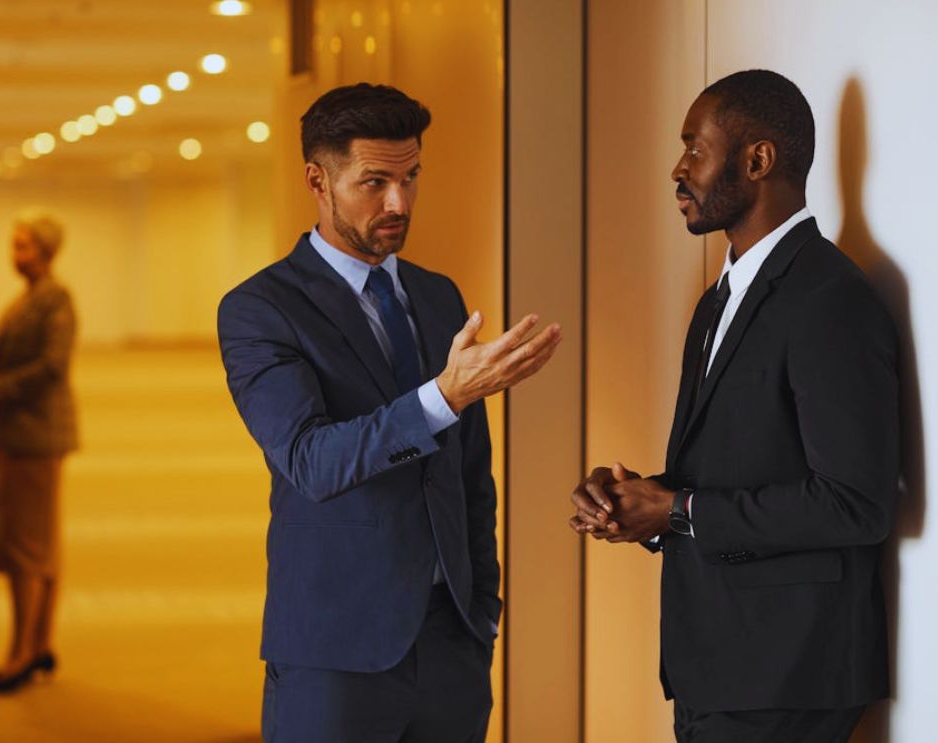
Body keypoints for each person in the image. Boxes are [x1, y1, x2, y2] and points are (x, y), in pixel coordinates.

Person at [219, 83, 561, 743]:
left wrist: (480, 610)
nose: (398, 202)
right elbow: (311, 461)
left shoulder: (436, 295)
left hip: (450, 644)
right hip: (336, 651)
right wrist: (444, 396)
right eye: (373, 182)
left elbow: (468, 475)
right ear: (317, 180)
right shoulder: (260, 308)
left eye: (409, 178)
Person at [569, 69, 899, 742]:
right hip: (715, 667)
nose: (677, 168)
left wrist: (678, 509)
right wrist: (639, 499)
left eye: (694, 147)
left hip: (787, 674)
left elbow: (855, 502)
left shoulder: (828, 298)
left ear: (756, 160)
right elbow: (736, 465)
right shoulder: (716, 299)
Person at [0, 210, 77, 694]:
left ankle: (21, 652)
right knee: (38, 546)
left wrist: (2, 386)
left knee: (26, 549)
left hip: (33, 436)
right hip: (17, 432)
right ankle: (37, 645)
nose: (14, 254)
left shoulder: (55, 299)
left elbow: (53, 366)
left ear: (45, 250)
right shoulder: (33, 297)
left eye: (22, 246)